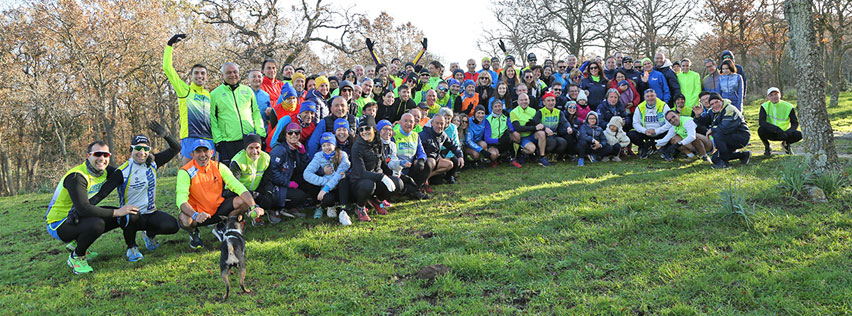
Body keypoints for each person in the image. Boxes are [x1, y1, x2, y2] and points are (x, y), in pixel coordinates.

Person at [45, 141, 140, 274]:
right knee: (97, 224)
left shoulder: (105, 170)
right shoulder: (77, 176)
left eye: (105, 155)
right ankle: (76, 257)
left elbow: (126, 170)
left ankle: (78, 242)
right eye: (97, 154)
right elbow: (84, 208)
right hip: (59, 222)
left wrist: (147, 159)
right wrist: (117, 211)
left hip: (79, 215)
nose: (102, 158)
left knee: (126, 215)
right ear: (88, 156)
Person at [176, 140, 264, 249]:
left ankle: (223, 226)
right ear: (192, 155)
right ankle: (194, 233)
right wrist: (195, 215)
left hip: (217, 209)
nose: (202, 155)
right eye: (198, 151)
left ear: (212, 153)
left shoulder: (219, 167)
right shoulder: (185, 171)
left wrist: (254, 206)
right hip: (198, 214)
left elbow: (238, 186)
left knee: (242, 202)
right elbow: (181, 199)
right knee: (184, 219)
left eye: (205, 151)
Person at [111, 123, 181, 260]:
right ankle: (131, 247)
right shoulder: (123, 171)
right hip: (129, 216)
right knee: (132, 214)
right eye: (137, 148)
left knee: (173, 226)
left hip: (150, 213)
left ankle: (149, 235)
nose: (141, 152)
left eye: (145, 148)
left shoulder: (153, 162)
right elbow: (103, 192)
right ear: (131, 149)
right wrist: (83, 206)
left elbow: (176, 148)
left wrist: (166, 135)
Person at [162, 34, 213, 166]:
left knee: (209, 174)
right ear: (191, 76)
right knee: (187, 172)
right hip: (190, 137)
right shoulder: (185, 90)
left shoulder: (209, 95)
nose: (199, 76)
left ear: (206, 77)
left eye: (202, 73)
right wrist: (169, 45)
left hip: (208, 138)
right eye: (196, 73)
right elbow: (168, 69)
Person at [349, 116, 405, 221]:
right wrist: (382, 177)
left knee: (398, 183)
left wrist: (393, 175)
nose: (364, 132)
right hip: (360, 181)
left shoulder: (379, 142)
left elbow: (383, 162)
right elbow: (361, 172)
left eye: (367, 128)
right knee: (368, 185)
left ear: (374, 129)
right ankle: (360, 207)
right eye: (361, 129)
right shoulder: (356, 147)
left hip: (376, 177)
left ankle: (376, 200)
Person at [211, 62, 266, 165]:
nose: (233, 75)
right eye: (229, 73)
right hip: (228, 142)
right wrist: (218, 141)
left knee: (249, 173)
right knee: (231, 175)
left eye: (235, 72)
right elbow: (212, 119)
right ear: (223, 75)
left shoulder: (248, 91)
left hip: (248, 140)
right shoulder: (214, 94)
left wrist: (261, 134)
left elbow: (256, 113)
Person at [264, 122, 310, 222]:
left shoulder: (296, 149)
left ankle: (291, 207)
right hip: (276, 186)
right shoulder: (279, 150)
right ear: (285, 135)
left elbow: (303, 169)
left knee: (308, 183)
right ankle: (274, 209)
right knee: (300, 196)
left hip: (287, 180)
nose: (293, 135)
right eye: (290, 133)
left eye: (297, 133)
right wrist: (288, 183)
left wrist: (303, 153)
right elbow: (272, 173)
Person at [303, 132, 352, 224]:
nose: (326, 148)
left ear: (334, 145)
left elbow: (339, 174)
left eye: (329, 144)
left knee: (343, 180)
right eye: (324, 145)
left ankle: (343, 211)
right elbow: (307, 174)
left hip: (339, 188)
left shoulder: (342, 155)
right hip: (328, 190)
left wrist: (326, 188)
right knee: (327, 199)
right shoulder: (319, 156)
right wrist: (324, 181)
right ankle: (331, 206)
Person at [694, 92, 751, 169]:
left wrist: (712, 129)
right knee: (715, 159)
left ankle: (724, 164)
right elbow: (703, 122)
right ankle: (744, 155)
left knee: (718, 134)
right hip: (728, 137)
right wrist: (698, 115)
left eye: (717, 102)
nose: (715, 105)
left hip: (741, 137)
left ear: (721, 101)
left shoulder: (730, 109)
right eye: (712, 104)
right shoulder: (712, 111)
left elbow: (725, 128)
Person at [228, 134, 275, 226]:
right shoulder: (237, 161)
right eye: (251, 148)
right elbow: (234, 186)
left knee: (270, 198)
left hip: (255, 189)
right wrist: (252, 194)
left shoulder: (266, 158)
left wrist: (269, 193)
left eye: (257, 147)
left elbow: (268, 180)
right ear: (245, 148)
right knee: (243, 202)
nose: (255, 151)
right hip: (237, 191)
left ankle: (259, 215)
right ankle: (238, 219)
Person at [393, 113, 431, 197]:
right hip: (398, 169)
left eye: (411, 122)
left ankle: (415, 189)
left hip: (411, 167)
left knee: (426, 165)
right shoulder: (394, 135)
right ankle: (411, 191)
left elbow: (422, 152)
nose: (408, 124)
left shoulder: (415, 135)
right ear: (400, 122)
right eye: (405, 121)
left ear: (414, 124)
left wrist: (420, 160)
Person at [510, 93, 551, 167]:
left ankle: (542, 157)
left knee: (541, 133)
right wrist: (534, 128)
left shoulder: (533, 111)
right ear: (518, 102)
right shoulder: (513, 112)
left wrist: (545, 128)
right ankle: (521, 152)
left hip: (532, 135)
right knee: (531, 149)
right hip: (522, 137)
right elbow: (518, 128)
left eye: (526, 99)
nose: (524, 102)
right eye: (521, 100)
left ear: (529, 101)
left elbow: (538, 124)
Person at [420, 114, 465, 182]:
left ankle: (427, 178)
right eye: (437, 123)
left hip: (435, 159)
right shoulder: (424, 134)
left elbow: (453, 145)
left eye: (441, 124)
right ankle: (421, 181)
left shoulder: (443, 135)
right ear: (432, 123)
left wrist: (460, 156)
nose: (439, 126)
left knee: (450, 164)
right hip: (424, 161)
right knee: (432, 162)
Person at [758, 87, 802, 156]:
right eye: (771, 95)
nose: (774, 97)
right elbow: (761, 122)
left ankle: (785, 144)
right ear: (768, 97)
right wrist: (776, 129)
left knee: (800, 134)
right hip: (771, 132)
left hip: (784, 133)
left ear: (780, 95)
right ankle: (767, 147)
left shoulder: (789, 106)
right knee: (761, 130)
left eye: (776, 94)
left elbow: (795, 123)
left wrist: (788, 132)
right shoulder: (764, 106)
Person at [629, 89, 672, 159]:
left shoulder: (663, 105)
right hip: (646, 132)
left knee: (672, 131)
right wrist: (645, 131)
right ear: (644, 97)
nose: (650, 98)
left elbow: (669, 123)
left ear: (656, 96)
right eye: (647, 96)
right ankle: (645, 147)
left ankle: (666, 149)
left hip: (660, 132)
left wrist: (656, 131)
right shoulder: (640, 107)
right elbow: (635, 123)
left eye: (652, 96)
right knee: (631, 134)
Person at [539, 92, 571, 158]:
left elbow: (564, 122)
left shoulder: (558, 112)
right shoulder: (540, 112)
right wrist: (545, 128)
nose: (551, 103)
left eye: (553, 100)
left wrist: (568, 127)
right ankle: (542, 155)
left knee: (563, 142)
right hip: (542, 136)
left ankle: (554, 155)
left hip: (554, 135)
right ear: (544, 103)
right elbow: (535, 123)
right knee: (552, 142)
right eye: (548, 101)